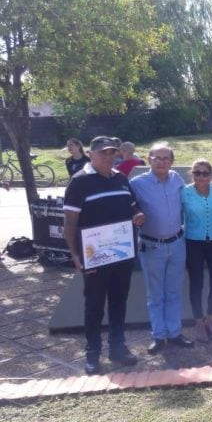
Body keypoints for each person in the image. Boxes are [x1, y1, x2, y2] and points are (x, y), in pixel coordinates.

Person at [62, 136, 145, 375]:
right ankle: (93, 354)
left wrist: (138, 214)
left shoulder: (120, 178)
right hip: (94, 256)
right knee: (95, 305)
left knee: (119, 302)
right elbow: (69, 223)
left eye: (112, 153)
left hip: (121, 253)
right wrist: (75, 255)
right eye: (103, 153)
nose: (109, 157)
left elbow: (131, 206)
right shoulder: (79, 182)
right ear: (91, 154)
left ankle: (117, 348)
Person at [130, 142, 194, 354]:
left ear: (172, 162)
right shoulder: (137, 183)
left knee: (174, 292)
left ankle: (174, 333)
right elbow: (128, 206)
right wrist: (135, 213)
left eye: (166, 158)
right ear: (149, 159)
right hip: (152, 246)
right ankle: (159, 336)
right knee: (155, 295)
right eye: (157, 157)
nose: (162, 162)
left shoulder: (176, 179)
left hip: (177, 244)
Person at [181, 159, 212, 342]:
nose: (201, 177)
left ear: (211, 175)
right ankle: (198, 322)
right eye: (197, 173)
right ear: (192, 174)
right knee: (196, 283)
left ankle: (210, 318)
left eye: (205, 173)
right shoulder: (184, 192)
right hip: (193, 242)